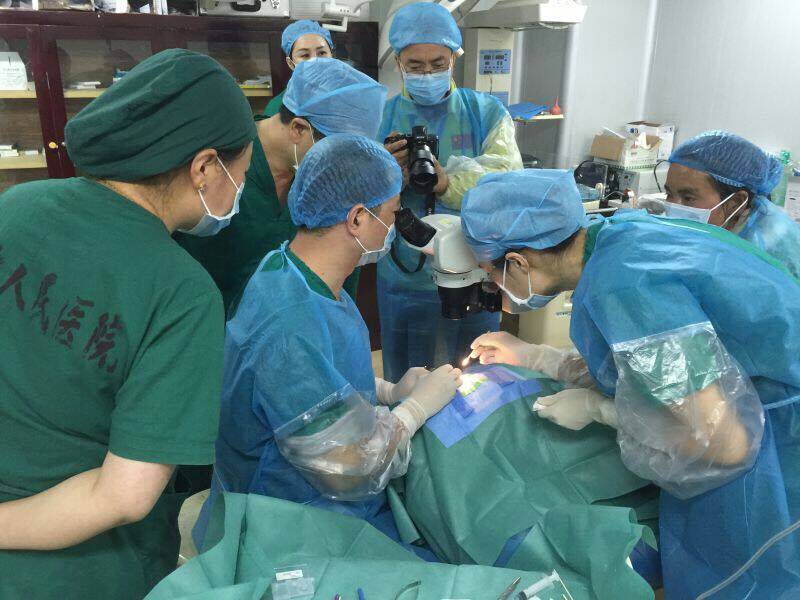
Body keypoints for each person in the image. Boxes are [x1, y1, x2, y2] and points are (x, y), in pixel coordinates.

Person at [461, 169, 800, 598]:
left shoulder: (623, 285)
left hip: (778, 447)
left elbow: (722, 442)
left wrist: (601, 411)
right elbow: (648, 372)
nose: (494, 287)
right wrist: (536, 357)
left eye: (489, 274)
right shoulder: (619, 236)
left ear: (517, 262)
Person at [0, 49, 255, 599]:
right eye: (241, 176)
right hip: (74, 570)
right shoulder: (181, 291)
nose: (239, 193)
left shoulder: (17, 205)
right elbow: (123, 496)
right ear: (205, 167)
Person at [195, 134, 462, 557]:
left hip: (315, 504)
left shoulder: (292, 270)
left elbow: (314, 383)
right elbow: (349, 469)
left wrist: (387, 391)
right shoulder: (289, 323)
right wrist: (414, 410)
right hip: (288, 528)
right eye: (392, 213)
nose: (395, 226)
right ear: (357, 218)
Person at [378, 1, 523, 382]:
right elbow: (355, 195)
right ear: (398, 63)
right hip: (404, 275)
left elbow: (508, 185)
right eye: (415, 65)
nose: (427, 73)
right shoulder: (379, 117)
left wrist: (447, 184)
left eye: (437, 63)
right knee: (407, 381)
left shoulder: (486, 113)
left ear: (455, 59)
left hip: (475, 271)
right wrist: (387, 176)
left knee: (475, 374)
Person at [175, 58, 387, 312]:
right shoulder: (220, 163)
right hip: (212, 323)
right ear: (298, 129)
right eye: (338, 152)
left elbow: (341, 267)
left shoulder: (329, 177)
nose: (344, 167)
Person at [663, 129, 800, 278]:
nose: (673, 207)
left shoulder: (770, 250)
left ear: (735, 203)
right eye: (669, 194)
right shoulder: (711, 226)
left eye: (688, 198)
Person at [263, 19, 334, 118]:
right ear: (291, 63)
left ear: (332, 56)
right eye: (305, 55)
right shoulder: (277, 108)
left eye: (322, 53)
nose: (315, 61)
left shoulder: (347, 95)